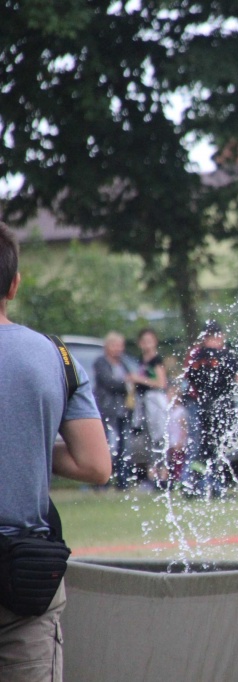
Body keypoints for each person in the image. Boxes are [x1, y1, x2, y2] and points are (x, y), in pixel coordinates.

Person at [0, 222, 112, 681]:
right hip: (24, 576)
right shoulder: (56, 356)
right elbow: (95, 465)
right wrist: (29, 441)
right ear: (14, 283)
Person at [182, 321, 238, 499]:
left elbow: (189, 379)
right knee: (213, 449)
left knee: (203, 449)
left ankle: (196, 487)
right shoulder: (223, 355)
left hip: (205, 407)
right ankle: (212, 487)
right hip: (215, 408)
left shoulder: (198, 355)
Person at [92, 331, 132, 488]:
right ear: (107, 346)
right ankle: (102, 481)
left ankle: (122, 481)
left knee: (123, 445)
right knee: (107, 444)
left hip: (122, 409)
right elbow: (109, 382)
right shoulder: (101, 363)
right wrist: (126, 383)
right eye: (115, 345)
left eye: (120, 345)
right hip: (107, 409)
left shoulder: (123, 364)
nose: (118, 349)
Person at [129, 328, 168, 484]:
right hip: (143, 402)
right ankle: (152, 475)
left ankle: (162, 475)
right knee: (147, 439)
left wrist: (139, 379)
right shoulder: (141, 360)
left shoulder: (156, 361)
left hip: (154, 402)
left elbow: (161, 383)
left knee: (158, 437)